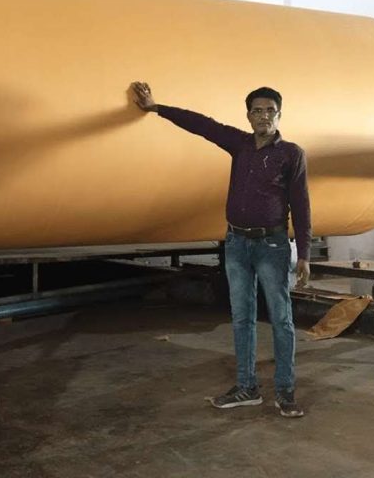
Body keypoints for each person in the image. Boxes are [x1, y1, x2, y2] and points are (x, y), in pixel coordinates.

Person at [130, 81, 311, 418]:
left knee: (281, 319)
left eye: (270, 111)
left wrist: (303, 254)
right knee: (241, 318)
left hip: (272, 245)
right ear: (249, 116)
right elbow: (202, 124)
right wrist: (157, 108)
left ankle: (285, 392)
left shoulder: (291, 154)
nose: (264, 116)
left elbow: (300, 205)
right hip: (237, 243)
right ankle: (247, 387)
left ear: (279, 115)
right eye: (257, 111)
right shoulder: (239, 144)